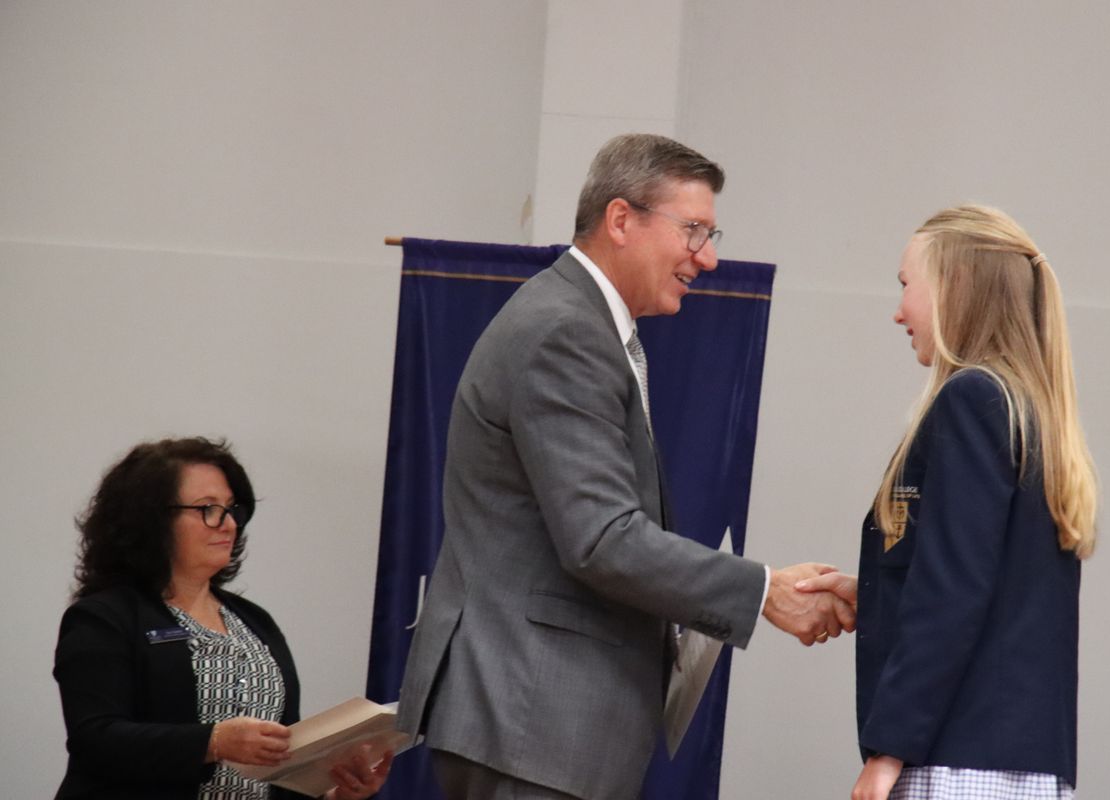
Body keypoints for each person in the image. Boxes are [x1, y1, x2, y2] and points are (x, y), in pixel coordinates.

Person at [394, 133, 858, 800]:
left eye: (710, 234)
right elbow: (603, 539)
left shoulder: (582, 324)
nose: (708, 256)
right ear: (620, 219)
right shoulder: (566, 332)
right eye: (693, 230)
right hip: (530, 719)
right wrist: (763, 592)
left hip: (542, 725)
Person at [804, 205, 1097, 799]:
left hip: (961, 759)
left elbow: (951, 593)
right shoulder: (1022, 407)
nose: (898, 311)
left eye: (905, 285)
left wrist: (889, 749)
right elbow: (995, 584)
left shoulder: (974, 400)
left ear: (954, 285)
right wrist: (876, 594)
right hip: (1014, 760)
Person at [53, 437, 394, 800]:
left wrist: (336, 795)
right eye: (208, 508)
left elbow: (278, 765)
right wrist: (213, 742)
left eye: (231, 509)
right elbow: (96, 739)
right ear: (150, 519)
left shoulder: (254, 621)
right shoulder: (104, 618)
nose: (228, 524)